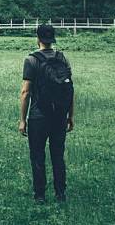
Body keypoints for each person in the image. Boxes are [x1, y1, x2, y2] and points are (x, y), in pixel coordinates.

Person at [19, 24, 74, 204]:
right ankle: (61, 194)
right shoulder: (62, 58)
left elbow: (25, 92)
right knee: (57, 155)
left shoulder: (31, 60)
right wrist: (70, 116)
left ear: (38, 38)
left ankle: (40, 195)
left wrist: (22, 120)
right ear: (53, 39)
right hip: (59, 116)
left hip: (38, 116)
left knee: (37, 156)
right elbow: (69, 89)